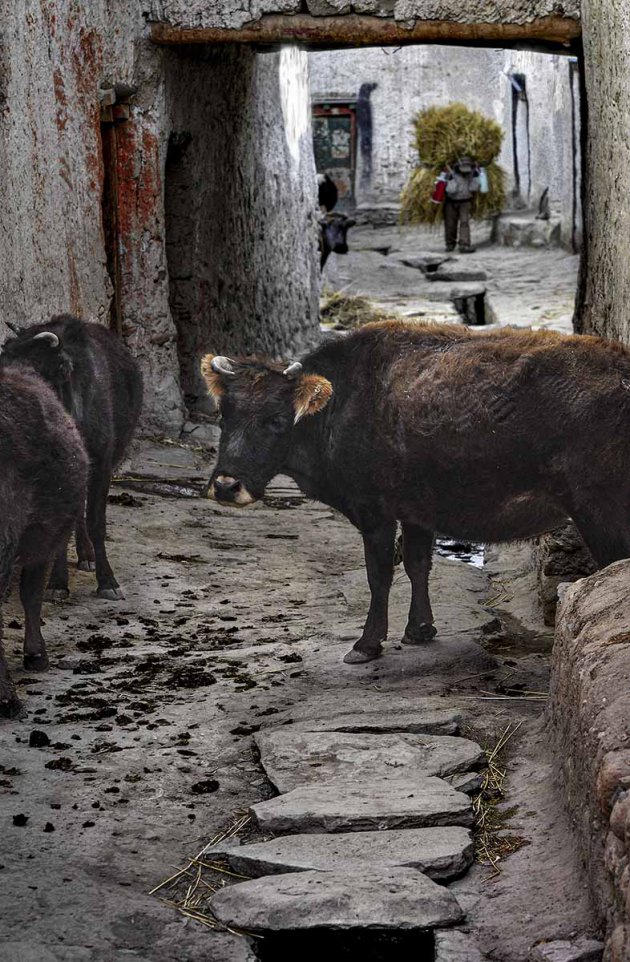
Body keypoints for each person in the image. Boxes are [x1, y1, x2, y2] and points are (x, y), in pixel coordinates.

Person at [443, 157, 480, 253]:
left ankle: (464, 245)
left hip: (465, 201)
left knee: (464, 223)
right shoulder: (451, 174)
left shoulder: (472, 173)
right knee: (450, 224)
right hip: (451, 202)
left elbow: (474, 188)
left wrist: (475, 176)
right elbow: (451, 190)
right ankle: (450, 244)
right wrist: (450, 177)